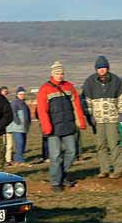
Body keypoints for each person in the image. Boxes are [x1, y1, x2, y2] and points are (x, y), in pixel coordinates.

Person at [37, 61, 87, 192]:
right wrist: (47, 127)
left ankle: (61, 174)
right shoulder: (45, 89)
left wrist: (80, 121)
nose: (60, 75)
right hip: (53, 129)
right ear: (52, 74)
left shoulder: (69, 87)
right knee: (55, 156)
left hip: (68, 125)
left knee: (72, 152)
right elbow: (42, 110)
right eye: (57, 73)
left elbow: (76, 105)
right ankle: (55, 182)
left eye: (62, 73)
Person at [82, 56, 122, 179]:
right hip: (98, 120)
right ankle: (104, 169)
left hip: (113, 118)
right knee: (100, 145)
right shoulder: (90, 81)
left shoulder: (116, 80)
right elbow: (86, 100)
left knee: (114, 144)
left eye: (104, 67)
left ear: (108, 68)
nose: (102, 70)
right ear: (96, 69)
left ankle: (118, 169)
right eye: (99, 68)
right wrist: (90, 115)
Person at [6, 86, 32, 165]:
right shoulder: (15, 103)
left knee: (23, 143)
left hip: (23, 127)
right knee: (19, 143)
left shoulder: (24, 104)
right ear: (17, 95)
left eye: (23, 94)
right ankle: (19, 160)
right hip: (17, 127)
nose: (22, 95)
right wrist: (18, 122)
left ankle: (19, 159)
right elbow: (13, 113)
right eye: (20, 94)